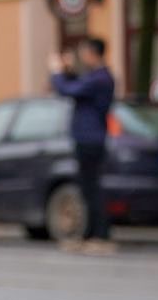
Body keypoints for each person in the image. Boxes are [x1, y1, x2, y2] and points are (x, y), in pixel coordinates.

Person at [50, 38, 116, 254]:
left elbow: (68, 90)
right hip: (88, 138)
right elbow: (76, 85)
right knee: (86, 188)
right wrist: (67, 72)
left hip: (91, 139)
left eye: (83, 53)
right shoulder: (97, 77)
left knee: (91, 188)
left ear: (92, 53)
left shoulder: (100, 78)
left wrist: (57, 72)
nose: (82, 58)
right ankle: (88, 234)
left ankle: (99, 235)